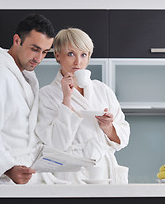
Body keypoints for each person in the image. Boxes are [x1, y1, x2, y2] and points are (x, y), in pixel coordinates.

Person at [36, 28, 130, 184]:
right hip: (71, 174)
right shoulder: (47, 95)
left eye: (83, 55)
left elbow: (124, 136)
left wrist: (108, 127)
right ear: (58, 55)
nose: (78, 62)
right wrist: (66, 98)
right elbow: (55, 144)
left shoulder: (102, 90)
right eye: (71, 54)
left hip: (104, 171)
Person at [0, 14, 56, 184]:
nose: (38, 59)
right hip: (9, 179)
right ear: (17, 40)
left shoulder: (24, 77)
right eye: (34, 49)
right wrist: (8, 168)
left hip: (28, 176)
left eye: (45, 52)